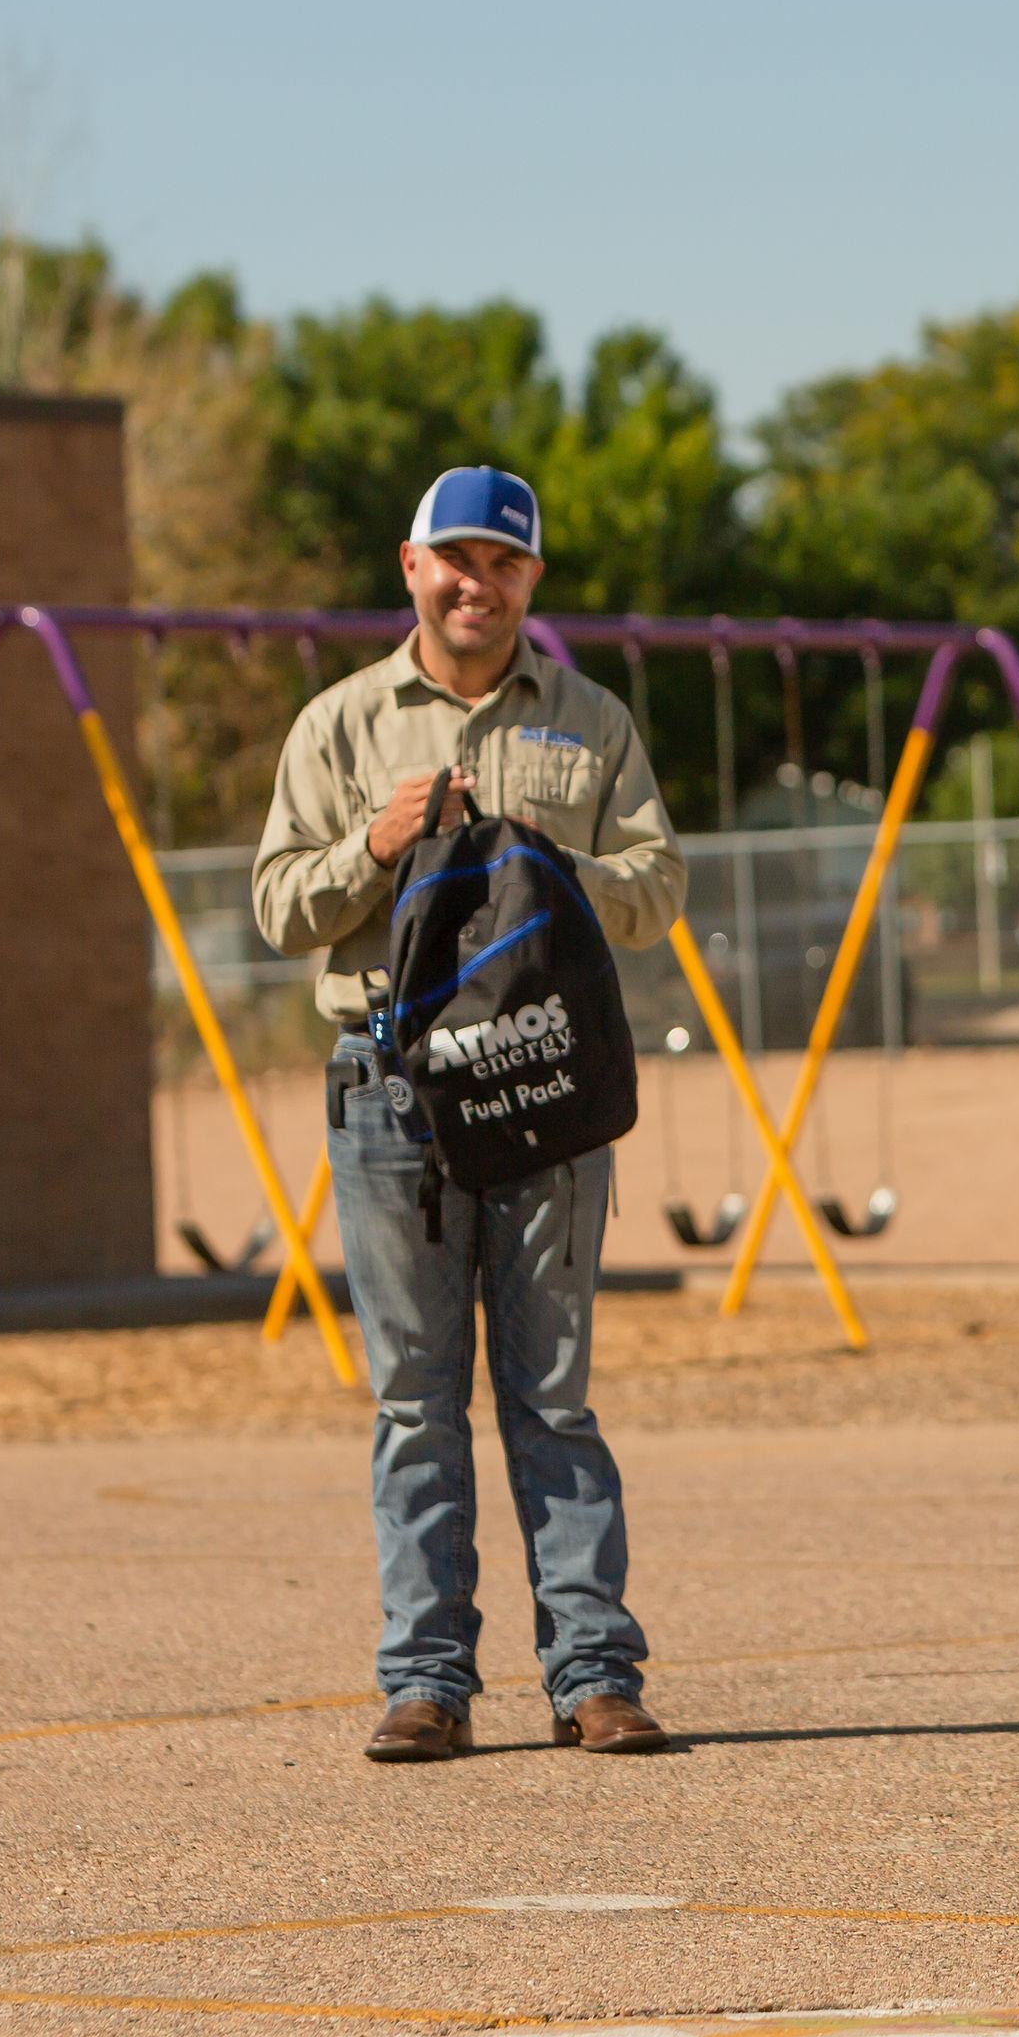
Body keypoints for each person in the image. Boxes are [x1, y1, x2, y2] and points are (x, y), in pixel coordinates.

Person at [252, 467, 687, 1764]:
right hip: (390, 1092)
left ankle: (595, 1674)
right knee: (413, 1394)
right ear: (410, 566)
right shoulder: (336, 727)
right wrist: (375, 848)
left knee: (552, 1391)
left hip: (543, 1076)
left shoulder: (591, 719)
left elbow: (659, 883)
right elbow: (277, 910)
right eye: (454, 558)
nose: (475, 583)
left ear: (532, 581)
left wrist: (545, 871)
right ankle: (427, 1677)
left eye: (502, 562)